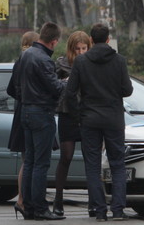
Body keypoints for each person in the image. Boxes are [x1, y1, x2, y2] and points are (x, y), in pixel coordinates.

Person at [65, 23, 133, 221]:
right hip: (113, 120)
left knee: (92, 166)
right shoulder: (119, 61)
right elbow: (127, 90)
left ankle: (100, 211)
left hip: (89, 120)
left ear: (92, 41)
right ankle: (118, 210)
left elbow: (70, 93)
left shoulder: (81, 62)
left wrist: (79, 116)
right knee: (118, 164)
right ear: (108, 39)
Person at [19, 22, 65, 221]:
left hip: (26, 111)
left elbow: (14, 86)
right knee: (41, 164)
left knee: (29, 161)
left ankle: (27, 205)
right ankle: (40, 208)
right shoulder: (44, 60)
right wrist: (67, 83)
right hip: (42, 113)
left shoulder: (26, 55)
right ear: (53, 41)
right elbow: (55, 88)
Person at [52, 30, 92, 216]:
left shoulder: (92, 64)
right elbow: (52, 87)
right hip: (68, 114)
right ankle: (58, 200)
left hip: (86, 114)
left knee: (90, 158)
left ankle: (94, 200)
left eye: (84, 48)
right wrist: (64, 82)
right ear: (71, 49)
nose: (81, 52)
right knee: (66, 156)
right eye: (77, 49)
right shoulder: (62, 64)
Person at [6, 30, 39, 218]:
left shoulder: (19, 61)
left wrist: (20, 96)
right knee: (29, 161)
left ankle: (23, 200)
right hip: (28, 113)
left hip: (20, 113)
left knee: (27, 160)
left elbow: (11, 89)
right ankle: (23, 200)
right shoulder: (29, 60)